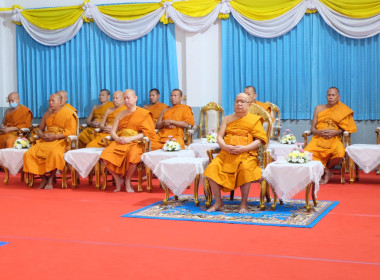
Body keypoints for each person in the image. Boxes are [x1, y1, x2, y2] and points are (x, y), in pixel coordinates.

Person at [203, 93, 267, 214]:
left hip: (246, 154)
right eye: (237, 101)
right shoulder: (227, 119)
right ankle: (218, 203)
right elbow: (219, 137)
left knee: (246, 168)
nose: (239, 104)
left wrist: (244, 148)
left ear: (249, 104)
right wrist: (225, 146)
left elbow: (259, 140)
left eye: (242, 101)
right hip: (226, 154)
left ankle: (243, 204)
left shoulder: (254, 120)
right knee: (212, 168)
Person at [100, 89, 161, 192]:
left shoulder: (143, 113)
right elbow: (113, 131)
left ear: (135, 98)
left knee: (133, 156)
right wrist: (117, 139)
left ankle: (128, 180)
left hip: (135, 142)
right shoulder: (120, 114)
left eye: (129, 98)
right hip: (121, 141)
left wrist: (130, 139)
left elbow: (147, 133)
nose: (126, 100)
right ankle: (118, 179)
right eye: (125, 98)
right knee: (105, 156)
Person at [23, 93, 77, 189]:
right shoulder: (47, 113)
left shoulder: (69, 113)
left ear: (60, 102)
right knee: (29, 154)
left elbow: (71, 131)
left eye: (53, 101)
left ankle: (51, 179)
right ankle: (43, 178)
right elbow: (40, 129)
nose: (50, 103)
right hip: (46, 139)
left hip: (60, 140)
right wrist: (42, 135)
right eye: (49, 101)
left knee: (55, 154)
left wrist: (55, 137)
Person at [305, 87, 357, 184]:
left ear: (338, 97)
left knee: (340, 153)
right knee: (307, 153)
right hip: (318, 138)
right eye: (329, 95)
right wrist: (319, 132)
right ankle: (327, 172)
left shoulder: (342, 110)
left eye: (333, 95)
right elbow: (312, 129)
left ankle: (325, 169)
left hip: (334, 138)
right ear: (326, 96)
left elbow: (345, 128)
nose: (331, 97)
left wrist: (336, 132)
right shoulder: (319, 108)